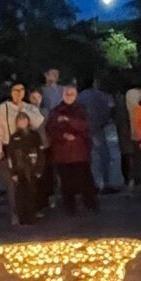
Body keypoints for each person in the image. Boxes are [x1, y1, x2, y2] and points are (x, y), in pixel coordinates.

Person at [0, 83, 47, 224]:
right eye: (15, 90)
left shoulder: (28, 108)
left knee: (28, 183)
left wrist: (26, 110)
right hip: (9, 149)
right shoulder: (2, 108)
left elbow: (39, 121)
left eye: (22, 90)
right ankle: (15, 213)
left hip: (27, 152)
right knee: (11, 184)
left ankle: (29, 211)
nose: (18, 93)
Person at [47, 84, 100, 214]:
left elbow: (85, 126)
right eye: (67, 93)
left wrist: (68, 120)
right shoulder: (55, 111)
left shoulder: (82, 110)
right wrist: (63, 135)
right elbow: (51, 129)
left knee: (85, 181)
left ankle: (91, 205)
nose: (69, 96)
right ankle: (70, 207)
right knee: (66, 182)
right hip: (62, 153)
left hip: (80, 152)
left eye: (72, 94)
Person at [82, 79, 120, 194]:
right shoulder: (103, 96)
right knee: (104, 157)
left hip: (87, 130)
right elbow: (110, 110)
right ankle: (104, 183)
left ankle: (94, 183)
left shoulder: (81, 96)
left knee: (93, 158)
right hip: (98, 129)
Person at [119, 84, 141, 198]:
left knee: (134, 159)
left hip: (133, 132)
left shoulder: (127, 95)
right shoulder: (137, 94)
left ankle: (132, 185)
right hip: (139, 132)